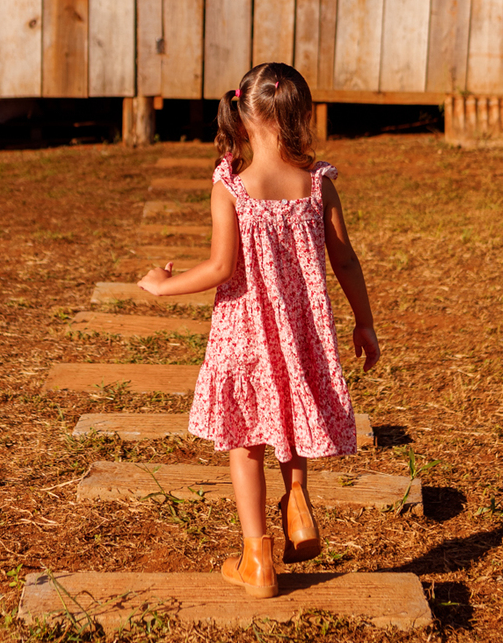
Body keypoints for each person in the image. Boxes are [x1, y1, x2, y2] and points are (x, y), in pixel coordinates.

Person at [139, 62, 379, 599]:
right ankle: (297, 506)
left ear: (244, 118)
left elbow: (220, 268)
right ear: (302, 117)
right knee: (290, 414)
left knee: (245, 439)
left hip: (244, 335)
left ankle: (258, 561)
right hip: (302, 332)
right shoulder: (317, 185)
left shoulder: (232, 185)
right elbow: (345, 261)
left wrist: (161, 285)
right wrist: (364, 323)